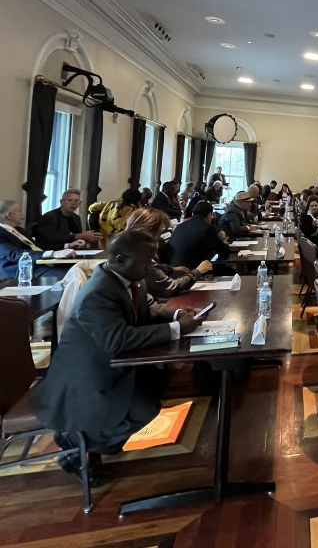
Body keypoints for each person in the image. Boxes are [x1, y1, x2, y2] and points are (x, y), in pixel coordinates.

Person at [29, 230, 204, 486]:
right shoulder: (98, 292)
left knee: (156, 387)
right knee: (143, 408)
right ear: (121, 259)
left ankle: (87, 444)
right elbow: (116, 339)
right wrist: (176, 330)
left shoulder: (130, 278)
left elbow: (145, 308)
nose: (150, 268)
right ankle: (78, 445)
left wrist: (175, 316)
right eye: (146, 263)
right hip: (87, 378)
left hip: (117, 364)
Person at [124, 208, 213, 298]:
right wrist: (198, 271)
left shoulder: (129, 248)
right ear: (148, 231)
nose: (158, 238)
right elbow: (171, 287)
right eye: (158, 234)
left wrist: (172, 269)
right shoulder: (141, 257)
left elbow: (155, 269)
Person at [0, 199, 77, 277]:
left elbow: (38, 246)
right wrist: (52, 254)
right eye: (19, 211)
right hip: (22, 270)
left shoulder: (19, 230)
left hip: (42, 264)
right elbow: (14, 254)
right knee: (74, 276)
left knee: (80, 268)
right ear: (9, 215)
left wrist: (67, 246)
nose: (22, 214)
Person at [167, 200, 230, 270]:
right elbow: (223, 251)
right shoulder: (207, 229)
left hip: (174, 270)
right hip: (193, 271)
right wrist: (224, 244)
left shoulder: (180, 226)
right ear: (210, 215)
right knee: (230, 271)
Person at [33, 189, 102, 249]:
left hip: (72, 252)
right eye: (70, 200)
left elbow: (77, 239)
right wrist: (80, 236)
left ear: (79, 203)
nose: (73, 203)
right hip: (51, 253)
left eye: (76, 201)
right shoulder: (49, 216)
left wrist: (85, 240)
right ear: (61, 202)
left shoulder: (76, 217)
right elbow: (49, 238)